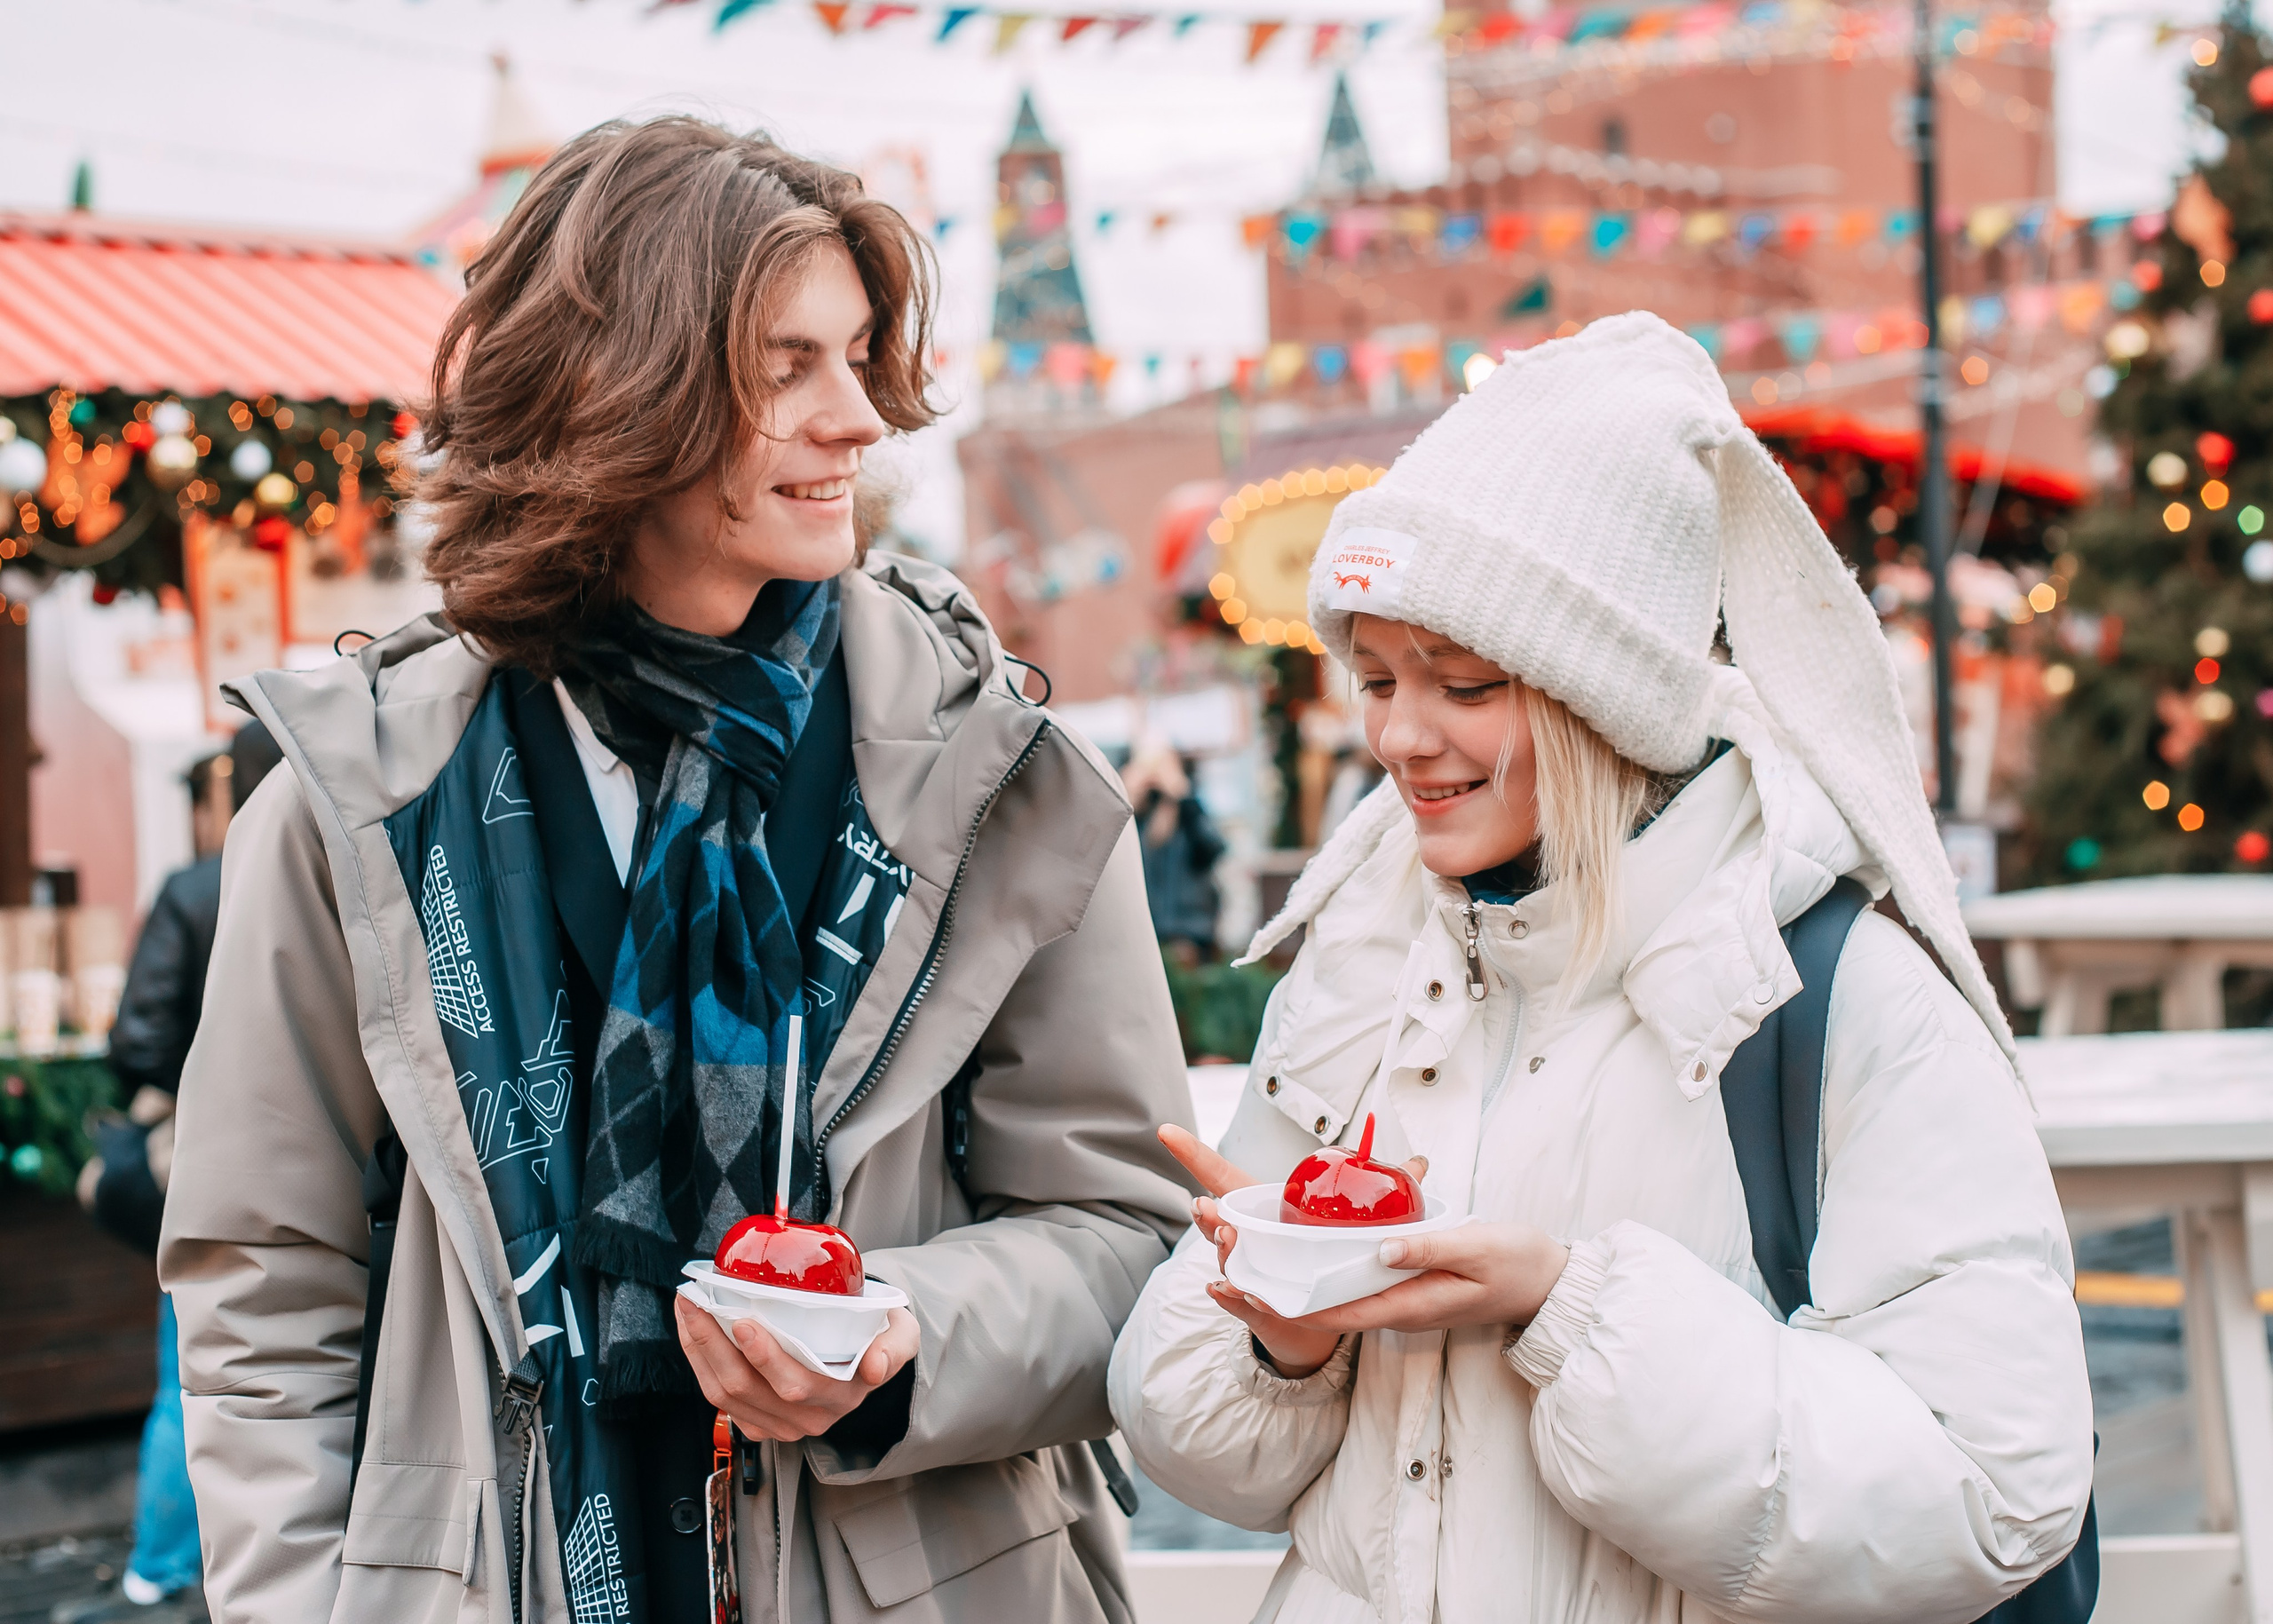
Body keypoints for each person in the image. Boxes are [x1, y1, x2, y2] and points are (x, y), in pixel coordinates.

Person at [160, 116, 1192, 1624]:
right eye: (787, 366)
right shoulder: (360, 800)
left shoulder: (996, 776)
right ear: (611, 391)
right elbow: (264, 1276)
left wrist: (908, 1327)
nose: (860, 419)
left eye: (858, 356)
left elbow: (1131, 1236)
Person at [1108, 313, 2095, 1624]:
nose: (1401, 735)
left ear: (1604, 699)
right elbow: (1203, 1450)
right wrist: (1279, 1340)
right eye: (1379, 675)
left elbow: (1990, 1491)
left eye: (1461, 683)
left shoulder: (1838, 990)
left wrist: (1569, 1311)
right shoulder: (1366, 955)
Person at [59, 723, 281, 1624]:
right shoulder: (359, 866)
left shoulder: (197, 888)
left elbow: (136, 1043)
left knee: (188, 1377)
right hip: (335, 1180)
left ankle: (160, 1571)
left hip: (211, 1170)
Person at [1119, 736, 1225, 962]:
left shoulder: (1189, 810)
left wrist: (1182, 796)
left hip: (1189, 932)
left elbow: (1213, 848)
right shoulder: (1134, 811)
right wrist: (1124, 797)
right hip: (1140, 933)